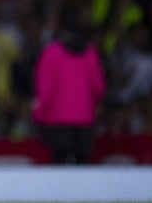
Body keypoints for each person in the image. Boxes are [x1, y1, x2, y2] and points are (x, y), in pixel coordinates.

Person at [33, 17, 106, 164]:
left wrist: (38, 116)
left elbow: (45, 91)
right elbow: (99, 88)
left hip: (57, 122)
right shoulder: (91, 53)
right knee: (83, 172)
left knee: (59, 172)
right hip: (85, 122)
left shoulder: (51, 53)